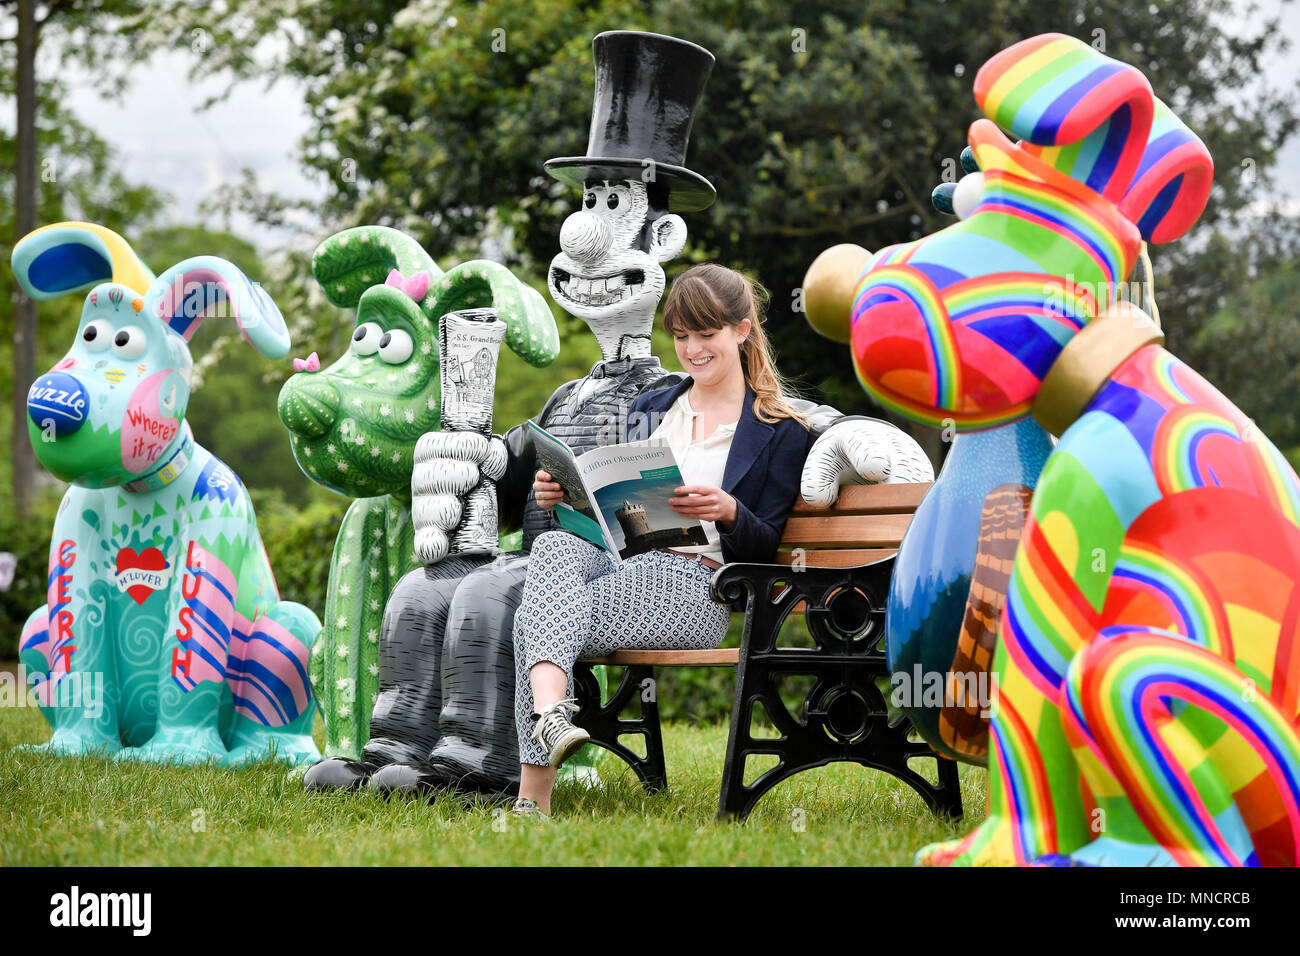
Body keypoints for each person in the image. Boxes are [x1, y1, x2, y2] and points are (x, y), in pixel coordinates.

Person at [510, 263, 816, 819]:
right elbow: (613, 502)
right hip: (621, 559)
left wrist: (729, 511)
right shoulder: (654, 408)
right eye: (680, 336)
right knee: (552, 551)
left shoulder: (779, 429)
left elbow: (768, 546)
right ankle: (552, 718)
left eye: (707, 334)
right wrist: (564, 496)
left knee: (538, 620)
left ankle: (534, 797)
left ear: (742, 331)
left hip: (700, 587)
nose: (693, 349)